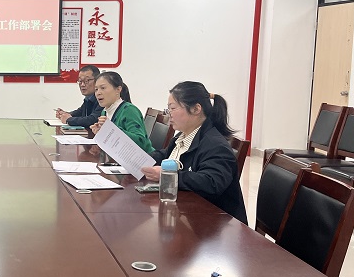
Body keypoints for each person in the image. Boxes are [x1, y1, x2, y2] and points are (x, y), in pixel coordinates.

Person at [141, 82, 247, 224]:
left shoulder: (215, 145)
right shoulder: (182, 136)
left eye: (172, 108)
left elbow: (211, 183)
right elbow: (165, 155)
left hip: (214, 224)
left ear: (196, 109)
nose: (169, 114)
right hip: (187, 215)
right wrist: (140, 159)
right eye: (168, 109)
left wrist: (168, 176)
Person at [90, 72, 153, 153]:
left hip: (140, 159)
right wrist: (100, 134)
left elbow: (141, 142)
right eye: (96, 89)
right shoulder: (104, 112)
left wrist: (112, 128)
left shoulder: (129, 110)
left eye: (103, 88)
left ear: (118, 89)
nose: (98, 93)